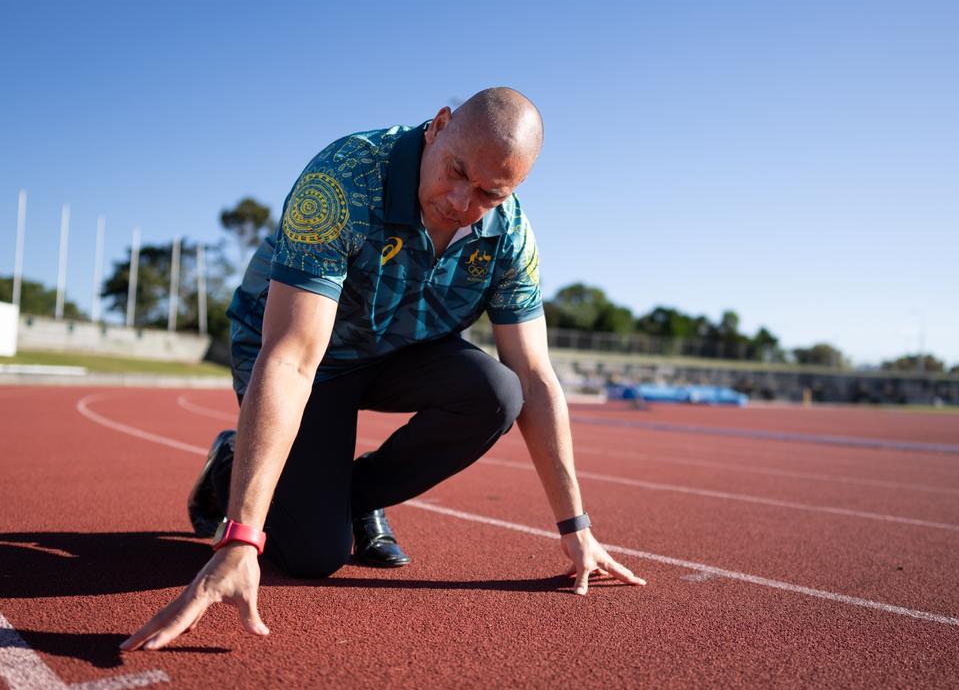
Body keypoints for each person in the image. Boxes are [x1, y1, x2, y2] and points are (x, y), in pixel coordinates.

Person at [121, 87, 645, 652]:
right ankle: (233, 463)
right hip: (305, 355)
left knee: (498, 390)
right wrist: (239, 539)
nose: (460, 201)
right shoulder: (342, 181)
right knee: (315, 555)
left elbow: (537, 376)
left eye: (489, 193)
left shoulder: (510, 236)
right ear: (438, 127)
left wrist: (577, 528)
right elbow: (292, 358)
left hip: (399, 351)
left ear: (515, 188)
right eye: (455, 171)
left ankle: (356, 493)